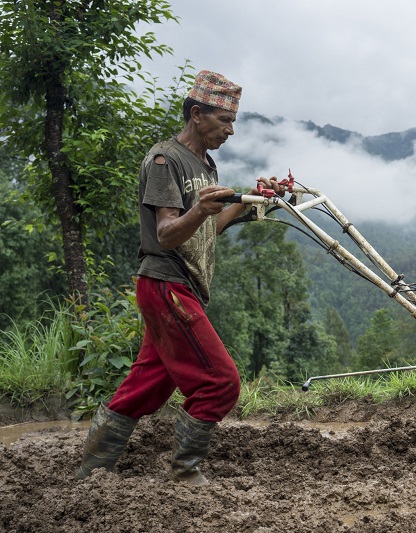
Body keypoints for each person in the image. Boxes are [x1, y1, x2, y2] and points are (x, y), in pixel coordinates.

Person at [75, 70, 285, 486]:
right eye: (224, 121)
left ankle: (91, 473)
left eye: (233, 122)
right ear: (196, 114)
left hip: (180, 285)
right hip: (165, 283)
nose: (230, 131)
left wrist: (252, 201)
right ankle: (185, 472)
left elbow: (209, 227)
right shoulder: (164, 160)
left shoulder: (205, 163)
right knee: (221, 382)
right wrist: (200, 211)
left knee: (146, 387)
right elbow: (168, 233)